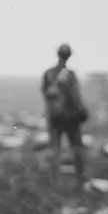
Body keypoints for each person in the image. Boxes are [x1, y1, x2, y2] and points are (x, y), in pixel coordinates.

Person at [41, 42, 88, 183]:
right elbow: (75, 96)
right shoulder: (70, 74)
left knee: (55, 150)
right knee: (77, 149)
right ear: (69, 56)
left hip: (54, 117)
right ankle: (80, 179)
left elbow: (45, 94)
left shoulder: (48, 73)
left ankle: (54, 180)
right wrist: (82, 112)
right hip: (71, 118)